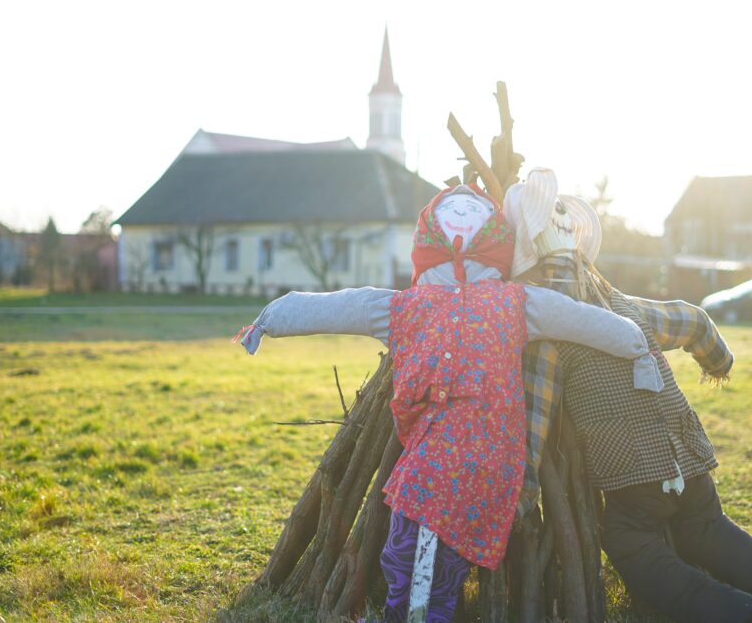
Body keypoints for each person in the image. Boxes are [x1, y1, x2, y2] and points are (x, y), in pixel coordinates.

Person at [238, 183, 662, 622]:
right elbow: (343, 307)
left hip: (479, 454)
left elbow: (579, 320)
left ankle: (415, 616)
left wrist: (634, 345)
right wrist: (272, 319)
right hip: (433, 452)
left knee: (422, 553)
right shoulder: (408, 307)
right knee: (410, 549)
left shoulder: (514, 304)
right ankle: (410, 614)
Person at [505, 169, 752, 623]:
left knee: (627, 540)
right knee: (703, 524)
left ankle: (735, 613)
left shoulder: (548, 326)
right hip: (688, 453)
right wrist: (717, 363)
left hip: (633, 469)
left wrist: (522, 488)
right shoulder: (623, 303)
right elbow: (694, 320)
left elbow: (536, 413)